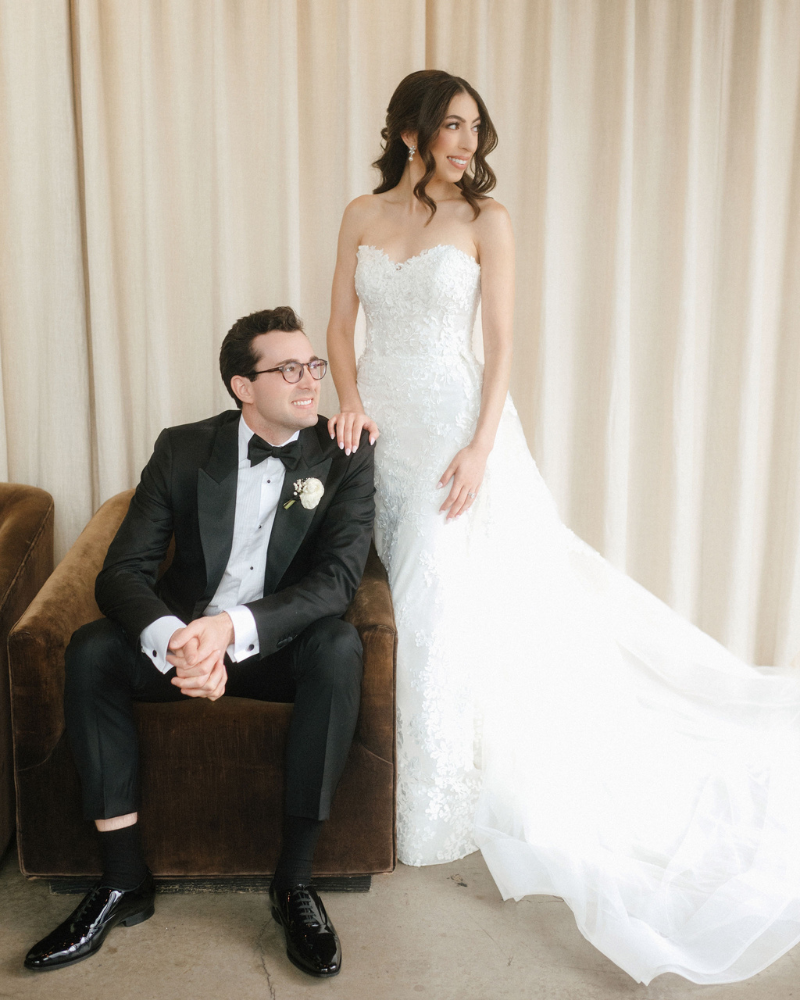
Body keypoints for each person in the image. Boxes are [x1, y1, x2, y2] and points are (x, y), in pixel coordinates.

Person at [325, 68, 800, 985]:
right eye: (452, 125)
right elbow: (341, 326)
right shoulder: (361, 213)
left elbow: (501, 345)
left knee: (429, 601)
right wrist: (348, 402)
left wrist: (480, 448)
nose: (467, 141)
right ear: (413, 131)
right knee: (386, 599)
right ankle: (376, 784)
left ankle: (429, 802)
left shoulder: (486, 223)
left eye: (474, 126)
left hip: (454, 433)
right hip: (376, 430)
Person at [24, 307, 375, 979]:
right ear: (244, 386)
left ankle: (294, 885)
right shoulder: (184, 448)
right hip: (186, 641)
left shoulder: (343, 453)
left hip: (276, 647)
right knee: (93, 648)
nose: (311, 382)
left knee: (338, 647)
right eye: (290, 368)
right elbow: (122, 571)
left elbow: (336, 582)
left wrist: (231, 631)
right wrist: (181, 641)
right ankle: (123, 882)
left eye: (315, 366)